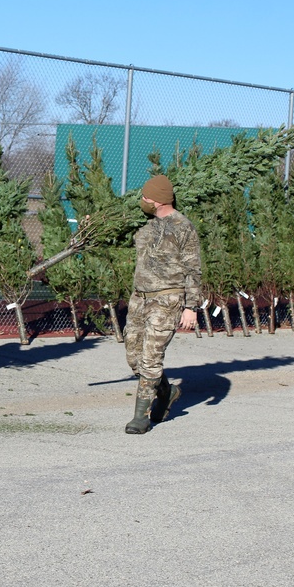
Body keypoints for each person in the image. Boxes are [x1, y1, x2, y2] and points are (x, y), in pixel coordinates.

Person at [124, 174, 201, 434]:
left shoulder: (183, 227)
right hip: (139, 299)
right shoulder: (143, 225)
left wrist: (191, 307)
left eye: (145, 197)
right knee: (134, 358)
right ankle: (167, 392)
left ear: (157, 200)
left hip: (167, 300)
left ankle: (140, 417)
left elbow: (193, 269)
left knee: (150, 358)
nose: (141, 201)